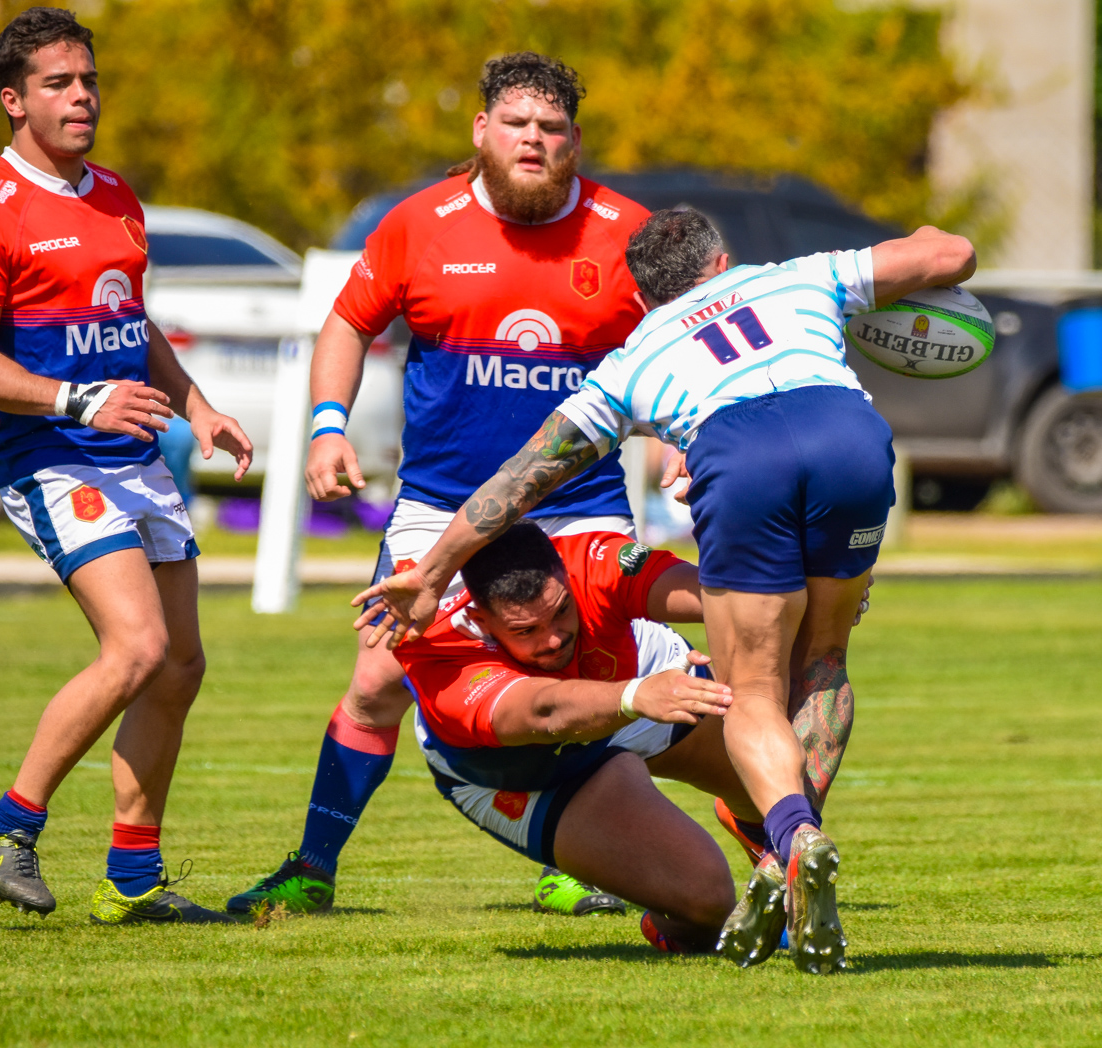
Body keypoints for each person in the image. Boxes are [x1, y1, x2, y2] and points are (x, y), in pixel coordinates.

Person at [359, 207, 975, 972]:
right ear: (722, 263)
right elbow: (952, 253)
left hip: (739, 454)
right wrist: (924, 242)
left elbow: (522, 477)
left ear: (643, 298)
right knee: (823, 658)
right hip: (847, 432)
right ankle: (786, 845)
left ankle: (792, 839)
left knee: (754, 688)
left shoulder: (632, 358)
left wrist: (435, 568)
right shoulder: (798, 277)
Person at [227, 52, 653, 916]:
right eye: (516, 124)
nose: (533, 140)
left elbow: (684, 339)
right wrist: (328, 424)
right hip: (438, 502)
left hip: (577, 504)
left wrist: (682, 438)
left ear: (574, 141)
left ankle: (579, 859)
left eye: (551, 128)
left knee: (586, 668)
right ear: (482, 130)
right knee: (378, 678)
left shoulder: (625, 231)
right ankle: (313, 866)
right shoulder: (420, 223)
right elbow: (348, 323)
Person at [0, 8, 252, 925]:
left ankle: (133, 879)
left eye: (89, 80)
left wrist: (198, 404)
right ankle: (10, 828)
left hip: (134, 454)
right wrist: (75, 400)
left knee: (179, 664)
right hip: (53, 455)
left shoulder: (117, 197)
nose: (82, 97)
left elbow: (130, 325)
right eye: (58, 83)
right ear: (13, 100)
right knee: (135, 647)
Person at [388, 521, 748, 952]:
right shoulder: (439, 648)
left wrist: (801, 586)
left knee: (777, 771)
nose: (553, 639)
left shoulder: (591, 561)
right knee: (707, 902)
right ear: (482, 621)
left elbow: (724, 595)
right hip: (521, 770)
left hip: (634, 682)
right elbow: (544, 712)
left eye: (561, 611)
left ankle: (760, 835)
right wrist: (635, 695)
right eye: (525, 631)